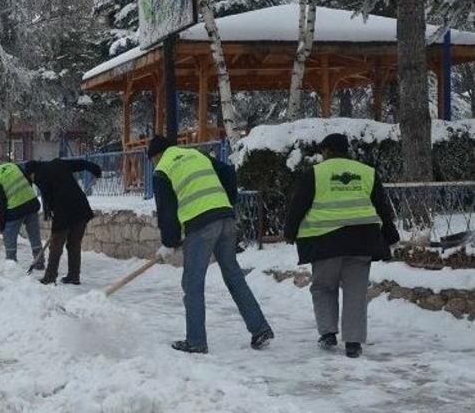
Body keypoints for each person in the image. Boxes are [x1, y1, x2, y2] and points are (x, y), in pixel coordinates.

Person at [148, 135, 273, 354]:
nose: (153, 164)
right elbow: (227, 172)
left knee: (193, 283)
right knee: (233, 276)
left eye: (152, 160)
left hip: (201, 225)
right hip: (225, 217)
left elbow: (166, 210)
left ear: (156, 156)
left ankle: (196, 341)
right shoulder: (196, 154)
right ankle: (260, 328)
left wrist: (169, 242)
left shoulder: (162, 170)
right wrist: (228, 202)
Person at [284, 133, 399, 359]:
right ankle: (353, 342)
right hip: (363, 241)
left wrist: (290, 233)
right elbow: (383, 208)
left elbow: (298, 206)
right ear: (347, 150)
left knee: (323, 287)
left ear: (326, 151)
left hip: (325, 242)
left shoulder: (315, 173)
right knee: (355, 292)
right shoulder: (367, 173)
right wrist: (390, 236)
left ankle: (328, 333)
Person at [25, 158, 101, 285]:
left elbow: (49, 200)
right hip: (81, 207)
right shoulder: (57, 163)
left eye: (30, 177)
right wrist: (95, 169)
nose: (32, 181)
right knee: (74, 244)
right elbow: (80, 164)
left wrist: (55, 220)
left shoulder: (40, 177)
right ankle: (74, 276)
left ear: (32, 173)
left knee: (56, 245)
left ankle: (50, 277)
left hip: (64, 211)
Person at [0, 161, 44, 267]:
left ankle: (11, 262)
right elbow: (28, 179)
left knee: (9, 236)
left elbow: (0, 204)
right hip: (31, 203)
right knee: (34, 234)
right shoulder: (11, 165)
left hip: (15, 209)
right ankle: (39, 261)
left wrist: (2, 223)